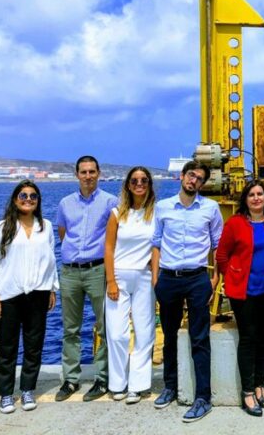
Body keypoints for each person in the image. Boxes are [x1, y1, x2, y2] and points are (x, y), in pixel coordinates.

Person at [151, 161, 223, 423]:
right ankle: (170, 386)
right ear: (182, 176)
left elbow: (217, 244)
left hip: (197, 278)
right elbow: (156, 243)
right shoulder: (163, 207)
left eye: (200, 178)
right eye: (191, 175)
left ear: (203, 183)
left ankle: (203, 397)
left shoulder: (210, 208)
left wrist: (215, 279)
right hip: (169, 278)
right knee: (169, 335)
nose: (194, 181)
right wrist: (156, 279)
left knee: (199, 337)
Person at [216, 180, 264, 417]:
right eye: (251, 195)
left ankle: (259, 383)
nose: (256, 198)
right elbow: (222, 255)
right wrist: (232, 276)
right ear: (245, 199)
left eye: (260, 194)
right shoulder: (235, 223)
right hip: (243, 293)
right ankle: (248, 391)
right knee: (248, 338)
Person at [0, 180, 58, 414]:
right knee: (7, 346)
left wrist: (52, 288)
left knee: (34, 345)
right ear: (15, 200)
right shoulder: (3, 227)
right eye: (23, 195)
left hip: (38, 293)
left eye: (33, 196)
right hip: (9, 295)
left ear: (38, 201)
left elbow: (51, 260)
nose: (28, 199)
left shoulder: (45, 226)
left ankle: (27, 389)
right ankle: (6, 394)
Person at [56, 155, 118, 402]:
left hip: (97, 270)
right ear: (77, 175)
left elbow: (114, 236)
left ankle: (102, 378)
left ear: (99, 173)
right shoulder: (65, 203)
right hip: (70, 272)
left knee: (104, 326)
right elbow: (63, 233)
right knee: (70, 329)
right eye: (84, 172)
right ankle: (71, 379)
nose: (88, 176)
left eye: (92, 171)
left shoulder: (110, 202)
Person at [104, 166, 157, 404]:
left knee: (144, 333)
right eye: (134, 180)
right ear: (127, 185)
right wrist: (111, 280)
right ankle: (118, 384)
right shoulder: (117, 214)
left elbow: (157, 247)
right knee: (117, 334)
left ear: (149, 184)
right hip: (119, 277)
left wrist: (155, 275)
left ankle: (138, 385)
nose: (139, 184)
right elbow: (108, 248)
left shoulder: (155, 213)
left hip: (145, 277)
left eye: (144, 180)